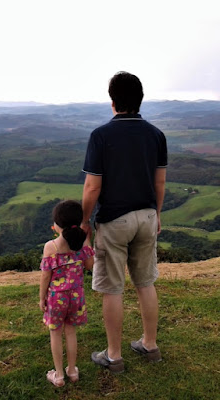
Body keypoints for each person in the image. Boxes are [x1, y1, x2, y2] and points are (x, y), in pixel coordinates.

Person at [81, 71, 167, 374]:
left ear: (112, 100)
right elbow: (159, 182)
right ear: (140, 100)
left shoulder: (101, 135)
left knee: (112, 289)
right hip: (147, 216)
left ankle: (114, 356)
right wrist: (156, 214)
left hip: (114, 220)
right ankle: (149, 344)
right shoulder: (156, 135)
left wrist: (83, 221)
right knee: (146, 282)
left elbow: (93, 187)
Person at [39, 200, 94, 387]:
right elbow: (90, 266)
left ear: (56, 226)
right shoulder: (81, 245)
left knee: (55, 334)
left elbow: (45, 277)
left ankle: (59, 375)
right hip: (76, 296)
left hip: (56, 297)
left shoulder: (51, 247)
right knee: (71, 332)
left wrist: (41, 298)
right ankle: (72, 371)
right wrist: (87, 240)